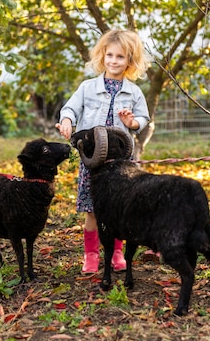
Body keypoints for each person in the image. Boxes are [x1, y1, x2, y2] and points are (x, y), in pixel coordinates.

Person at [56, 29, 150, 274]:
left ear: (130, 61)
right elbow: (70, 109)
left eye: (120, 57)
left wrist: (132, 123)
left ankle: (117, 252)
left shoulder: (134, 92)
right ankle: (91, 255)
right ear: (102, 55)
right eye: (110, 55)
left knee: (118, 208)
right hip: (93, 161)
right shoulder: (88, 87)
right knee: (93, 210)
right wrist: (67, 121)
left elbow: (143, 119)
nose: (114, 61)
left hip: (120, 162)